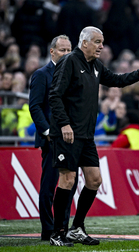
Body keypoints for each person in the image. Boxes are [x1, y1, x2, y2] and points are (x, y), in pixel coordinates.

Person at [48, 26, 139, 247]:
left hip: (86, 135)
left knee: (94, 180)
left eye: (102, 42)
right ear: (85, 43)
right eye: (98, 42)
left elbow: (117, 80)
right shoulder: (69, 61)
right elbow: (55, 95)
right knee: (68, 179)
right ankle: (57, 232)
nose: (102, 46)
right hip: (67, 133)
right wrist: (64, 124)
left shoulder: (96, 65)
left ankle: (76, 228)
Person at [29, 35, 76, 241]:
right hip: (51, 139)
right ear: (52, 52)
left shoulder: (73, 74)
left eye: (69, 50)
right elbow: (35, 106)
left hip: (70, 138)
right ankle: (48, 229)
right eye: (62, 50)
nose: (66, 53)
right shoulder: (41, 74)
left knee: (69, 184)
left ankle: (62, 228)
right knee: (49, 185)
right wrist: (47, 132)